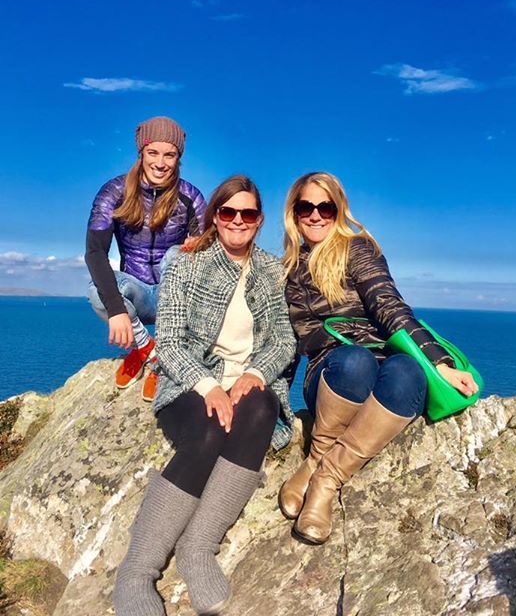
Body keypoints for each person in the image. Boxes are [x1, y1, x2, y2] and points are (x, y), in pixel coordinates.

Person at [113, 175, 296, 616]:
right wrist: (209, 386)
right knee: (211, 430)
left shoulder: (272, 271)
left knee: (262, 409)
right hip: (190, 383)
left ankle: (198, 547)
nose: (237, 221)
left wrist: (255, 373)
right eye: (228, 212)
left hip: (245, 380)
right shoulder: (186, 263)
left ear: (259, 220)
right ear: (215, 216)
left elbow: (284, 340)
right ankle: (136, 571)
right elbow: (171, 342)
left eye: (248, 213)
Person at [279, 171, 478, 544]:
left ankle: (325, 478)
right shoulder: (286, 269)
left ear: (338, 210)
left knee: (408, 372)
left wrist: (439, 363)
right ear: (294, 212)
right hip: (331, 372)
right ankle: (316, 457)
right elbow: (280, 340)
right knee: (355, 361)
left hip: (381, 361)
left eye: (326, 207)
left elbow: (388, 305)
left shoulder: (357, 249)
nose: (316, 215)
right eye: (306, 207)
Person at [85, 116, 206, 401]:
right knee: (96, 291)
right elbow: (95, 252)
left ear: (178, 158)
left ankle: (164, 354)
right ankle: (147, 350)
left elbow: (208, 254)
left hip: (172, 295)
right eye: (153, 152)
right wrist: (117, 309)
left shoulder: (191, 197)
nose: (160, 163)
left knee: (177, 254)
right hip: (135, 289)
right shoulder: (114, 192)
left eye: (169, 155)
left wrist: (199, 246)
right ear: (141, 153)